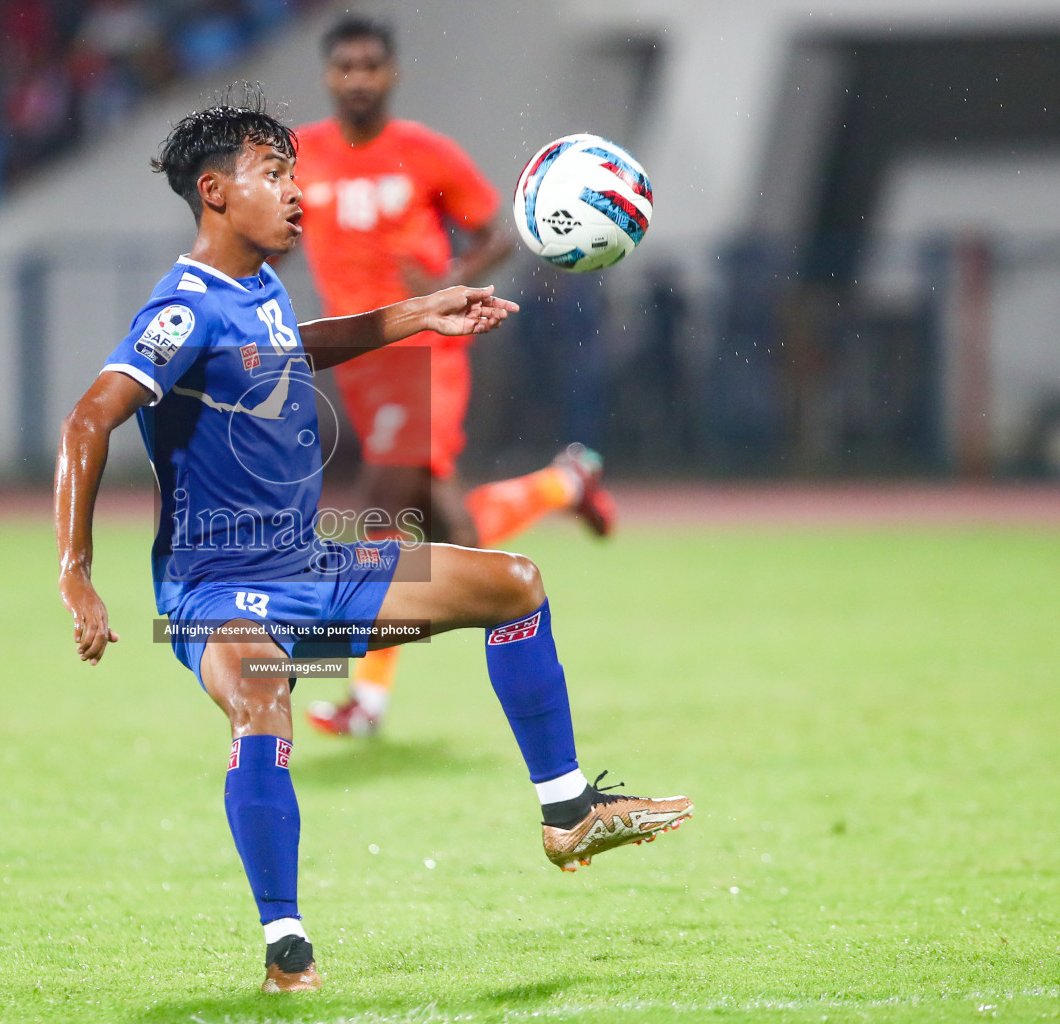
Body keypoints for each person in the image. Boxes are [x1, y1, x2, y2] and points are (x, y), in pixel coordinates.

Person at [53, 95, 692, 995]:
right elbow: (89, 419)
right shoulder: (184, 307)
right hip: (216, 592)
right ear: (215, 193)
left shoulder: (258, 289)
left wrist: (417, 311)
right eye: (272, 175)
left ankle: (569, 810)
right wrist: (77, 577)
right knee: (264, 697)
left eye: (292, 173)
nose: (294, 193)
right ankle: (288, 954)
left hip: (314, 566)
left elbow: (290, 347)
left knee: (514, 584)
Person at [294, 16, 619, 737]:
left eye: (370, 66)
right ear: (328, 76)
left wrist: (454, 276)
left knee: (397, 521)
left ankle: (366, 702)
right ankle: (565, 484)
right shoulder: (302, 156)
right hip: (361, 362)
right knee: (445, 528)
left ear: (392, 75)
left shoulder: (425, 154)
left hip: (426, 353)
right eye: (344, 67)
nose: (357, 79)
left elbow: (497, 230)